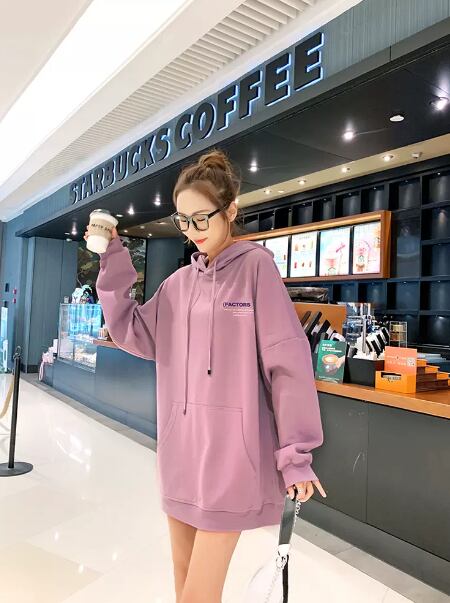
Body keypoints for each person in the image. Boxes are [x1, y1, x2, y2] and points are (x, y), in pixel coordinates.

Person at [86, 149, 326, 603]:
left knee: (198, 593)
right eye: (183, 220)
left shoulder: (256, 267)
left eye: (202, 218)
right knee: (185, 585)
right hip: (181, 453)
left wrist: (295, 454)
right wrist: (113, 256)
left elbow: (287, 361)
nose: (192, 230)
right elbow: (132, 331)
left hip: (232, 458)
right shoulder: (178, 284)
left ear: (230, 210)